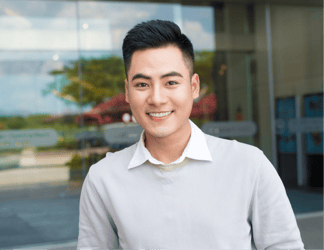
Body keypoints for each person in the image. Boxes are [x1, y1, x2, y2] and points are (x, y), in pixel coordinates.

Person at [77, 20, 304, 249]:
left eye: (171, 82)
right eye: (142, 84)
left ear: (194, 86)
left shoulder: (248, 165)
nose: (156, 98)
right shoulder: (103, 178)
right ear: (127, 91)